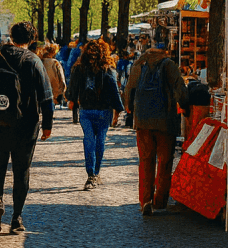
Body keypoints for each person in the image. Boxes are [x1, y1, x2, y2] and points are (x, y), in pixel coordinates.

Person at [0, 21, 53, 239]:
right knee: (21, 171)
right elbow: (46, 96)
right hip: (26, 125)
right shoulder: (34, 61)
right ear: (32, 39)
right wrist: (48, 125)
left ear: (11, 36)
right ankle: (17, 217)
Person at [125, 42, 189, 214]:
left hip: (142, 121)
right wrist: (186, 107)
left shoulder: (139, 64)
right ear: (164, 53)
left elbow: (129, 89)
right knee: (165, 161)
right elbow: (180, 90)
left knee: (146, 160)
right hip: (165, 121)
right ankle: (160, 201)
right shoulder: (169, 65)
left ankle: (145, 200)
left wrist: (131, 112)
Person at [66, 40, 124, 189]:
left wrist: (71, 99)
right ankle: (94, 173)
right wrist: (118, 110)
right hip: (103, 111)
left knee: (89, 141)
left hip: (86, 110)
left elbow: (72, 89)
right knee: (99, 142)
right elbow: (114, 92)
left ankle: (91, 174)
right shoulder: (108, 70)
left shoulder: (79, 69)